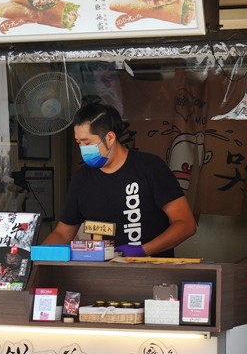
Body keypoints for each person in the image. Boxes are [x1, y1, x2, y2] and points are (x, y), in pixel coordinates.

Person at [42, 102, 197, 257]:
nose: (83, 148)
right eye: (79, 143)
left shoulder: (150, 168)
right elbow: (62, 234)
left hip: (152, 272)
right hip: (102, 273)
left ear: (110, 138)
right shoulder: (81, 178)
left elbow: (186, 224)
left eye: (87, 142)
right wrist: (36, 259)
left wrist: (143, 250)